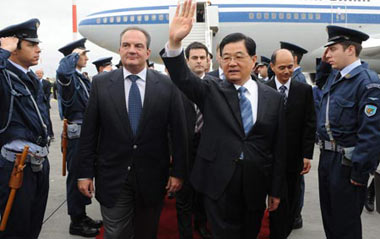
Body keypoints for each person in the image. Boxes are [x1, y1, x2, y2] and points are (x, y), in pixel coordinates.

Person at [160, 1, 286, 238]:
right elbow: (183, 79)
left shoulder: (273, 98)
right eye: (226, 57)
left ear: (254, 59)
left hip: (255, 183)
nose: (232, 63)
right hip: (218, 182)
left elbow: (278, 148)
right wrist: (176, 43)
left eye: (239, 56)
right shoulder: (211, 89)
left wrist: (276, 189)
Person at [76, 26, 187, 239]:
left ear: (147, 52)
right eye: (126, 45)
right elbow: (89, 132)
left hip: (153, 176)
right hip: (113, 175)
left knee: (147, 232)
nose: (132, 50)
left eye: (138, 46)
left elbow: (179, 132)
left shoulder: (167, 85)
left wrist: (178, 172)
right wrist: (84, 173)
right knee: (116, 233)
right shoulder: (100, 83)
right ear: (119, 50)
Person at [316, 25, 380, 239]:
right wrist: (325, 64)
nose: (327, 54)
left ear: (350, 50)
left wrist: (360, 171)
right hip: (327, 159)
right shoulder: (336, 77)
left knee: (346, 226)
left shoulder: (366, 82)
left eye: (333, 49)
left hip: (346, 164)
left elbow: (371, 133)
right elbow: (319, 83)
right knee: (331, 222)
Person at [0, 18, 50, 239]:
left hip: (38, 163)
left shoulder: (29, 78)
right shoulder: (4, 76)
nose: (38, 49)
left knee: (32, 225)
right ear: (13, 48)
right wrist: (1, 50)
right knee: (14, 229)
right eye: (31, 44)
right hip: (15, 166)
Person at [266, 49, 316, 239]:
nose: (287, 71)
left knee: (289, 203)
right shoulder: (264, 89)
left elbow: (309, 123)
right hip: (268, 158)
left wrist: (307, 154)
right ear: (272, 67)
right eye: (282, 68)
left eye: (290, 67)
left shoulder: (304, 91)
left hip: (293, 159)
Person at [56, 38, 101, 237]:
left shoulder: (80, 77)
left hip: (87, 133)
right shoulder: (67, 76)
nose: (86, 58)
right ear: (73, 57)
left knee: (85, 174)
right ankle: (76, 221)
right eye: (83, 54)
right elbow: (63, 72)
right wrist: (73, 54)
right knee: (77, 177)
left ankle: (82, 215)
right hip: (77, 135)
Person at [176, 41, 214, 239]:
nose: (199, 61)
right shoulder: (175, 87)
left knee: (204, 193)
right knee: (183, 196)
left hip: (207, 150)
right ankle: (185, 233)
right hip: (183, 150)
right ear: (186, 60)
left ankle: (201, 225)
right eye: (194, 58)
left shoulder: (216, 86)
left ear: (208, 61)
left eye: (202, 58)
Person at [35, 69, 54, 140]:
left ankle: (50, 134)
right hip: (36, 104)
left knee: (47, 119)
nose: (38, 75)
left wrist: (42, 98)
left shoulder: (47, 83)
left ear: (42, 74)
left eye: (40, 73)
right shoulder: (33, 82)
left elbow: (48, 93)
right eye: (37, 73)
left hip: (44, 104)